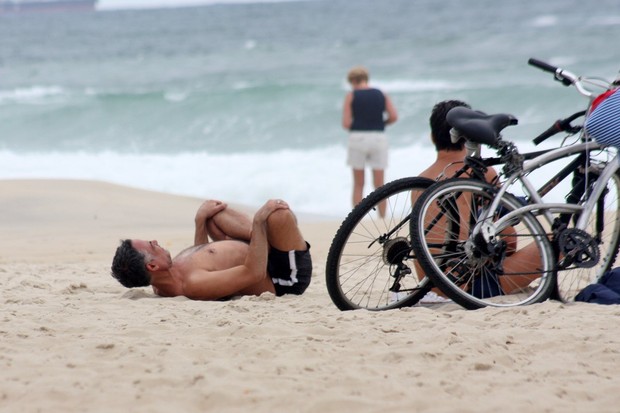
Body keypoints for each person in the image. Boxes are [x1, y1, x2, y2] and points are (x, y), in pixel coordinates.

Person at [417, 100, 541, 298]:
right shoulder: (484, 174)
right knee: (555, 242)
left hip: (429, 288)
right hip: (468, 286)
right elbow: (510, 241)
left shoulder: (419, 183)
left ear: (433, 137)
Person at [110, 199, 312, 301]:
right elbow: (253, 273)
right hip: (280, 276)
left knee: (213, 215)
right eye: (151, 245)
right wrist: (260, 222)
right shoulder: (193, 285)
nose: (155, 241)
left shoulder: (168, 274)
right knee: (279, 216)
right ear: (152, 265)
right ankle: (275, 233)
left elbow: (202, 255)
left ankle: (271, 237)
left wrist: (200, 222)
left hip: (259, 254)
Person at [342, 66, 398, 216]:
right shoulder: (381, 94)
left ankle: (355, 219)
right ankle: (382, 218)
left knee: (359, 183)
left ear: (352, 81)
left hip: (358, 138)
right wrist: (382, 123)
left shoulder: (352, 95)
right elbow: (393, 116)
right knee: (379, 184)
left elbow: (346, 123)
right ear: (366, 79)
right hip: (378, 137)